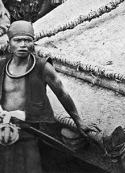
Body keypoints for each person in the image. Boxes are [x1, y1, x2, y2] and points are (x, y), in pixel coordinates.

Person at [0, 20, 98, 173]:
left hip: (31, 128)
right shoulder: (2, 66)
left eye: (28, 40)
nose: (23, 44)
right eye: (18, 40)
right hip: (4, 126)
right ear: (9, 43)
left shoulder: (42, 67)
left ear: (34, 42)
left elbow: (62, 93)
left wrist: (78, 121)